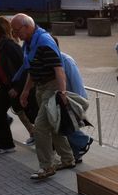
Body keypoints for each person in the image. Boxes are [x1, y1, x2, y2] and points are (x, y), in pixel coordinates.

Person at [12, 13, 75, 179]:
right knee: (53, 125)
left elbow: (58, 69)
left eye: (17, 30)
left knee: (40, 128)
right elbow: (32, 69)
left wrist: (62, 93)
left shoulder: (44, 42)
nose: (15, 34)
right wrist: (26, 91)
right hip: (40, 88)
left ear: (27, 27)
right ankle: (68, 159)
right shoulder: (30, 44)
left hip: (51, 88)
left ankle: (47, 167)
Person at [0, 16, 30, 153]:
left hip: (16, 86)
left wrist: (17, 88)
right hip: (6, 87)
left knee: (30, 114)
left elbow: (22, 67)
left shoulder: (9, 45)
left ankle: (58, 142)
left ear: (1, 29)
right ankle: (6, 145)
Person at [53, 37, 93, 163]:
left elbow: (77, 84)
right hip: (61, 100)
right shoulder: (53, 62)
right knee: (64, 126)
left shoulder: (66, 61)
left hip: (72, 100)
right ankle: (76, 154)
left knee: (65, 126)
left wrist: (77, 104)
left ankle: (83, 141)